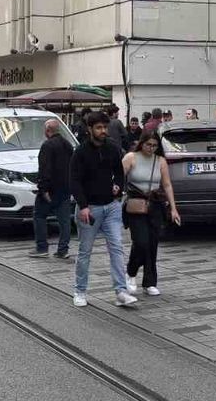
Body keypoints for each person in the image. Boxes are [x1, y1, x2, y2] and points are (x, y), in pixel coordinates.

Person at [70, 112, 136, 308]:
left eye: (105, 127)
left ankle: (121, 291)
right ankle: (79, 291)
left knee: (116, 247)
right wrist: (82, 206)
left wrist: (118, 186)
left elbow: (118, 171)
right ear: (89, 129)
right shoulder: (80, 152)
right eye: (98, 128)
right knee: (85, 251)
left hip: (111, 207)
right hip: (89, 208)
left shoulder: (113, 148)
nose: (103, 131)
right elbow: (74, 181)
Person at [122, 130, 180, 298]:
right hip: (136, 204)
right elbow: (118, 178)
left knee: (152, 244)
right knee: (141, 242)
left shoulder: (160, 161)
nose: (151, 148)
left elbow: (167, 185)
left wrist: (174, 209)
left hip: (155, 205)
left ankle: (150, 282)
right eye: (148, 144)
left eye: (155, 145)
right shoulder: (131, 157)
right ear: (142, 143)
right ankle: (131, 272)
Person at [29, 118, 74, 260]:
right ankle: (63, 250)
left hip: (50, 189)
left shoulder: (47, 146)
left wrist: (43, 189)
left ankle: (42, 247)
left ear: (48, 130)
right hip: (65, 188)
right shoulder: (67, 144)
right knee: (64, 220)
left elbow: (44, 169)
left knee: (39, 216)